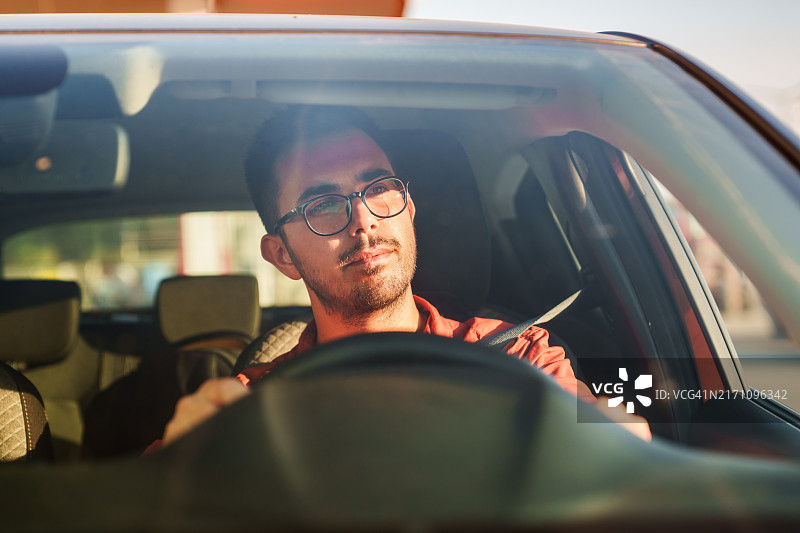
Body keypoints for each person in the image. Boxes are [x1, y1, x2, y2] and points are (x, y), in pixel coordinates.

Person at [159, 106, 651, 445]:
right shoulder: (248, 408)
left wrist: (612, 442)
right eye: (323, 204)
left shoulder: (515, 356)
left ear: (408, 210)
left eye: (379, 188)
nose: (363, 220)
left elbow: (611, 452)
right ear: (282, 255)